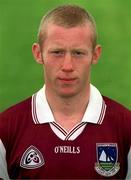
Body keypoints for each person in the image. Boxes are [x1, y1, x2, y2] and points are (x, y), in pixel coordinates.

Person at [0, 4, 131, 179]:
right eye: (57, 52)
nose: (67, 66)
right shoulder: (6, 129)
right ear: (38, 54)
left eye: (78, 53)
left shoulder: (126, 128)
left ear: (95, 54)